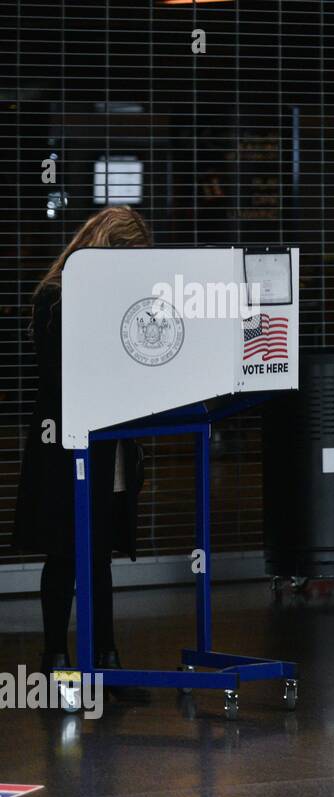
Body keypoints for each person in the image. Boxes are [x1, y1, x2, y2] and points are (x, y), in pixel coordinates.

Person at [13, 206, 151, 699]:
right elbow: (59, 378)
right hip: (65, 448)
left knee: (100, 556)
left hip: (108, 444)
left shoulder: (117, 300)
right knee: (65, 552)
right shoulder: (55, 297)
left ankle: (106, 661)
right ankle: (55, 660)